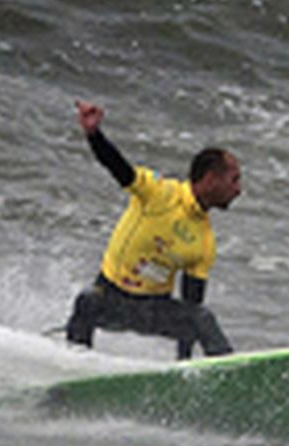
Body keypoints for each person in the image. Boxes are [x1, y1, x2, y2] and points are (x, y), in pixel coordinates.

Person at [62, 100, 240, 359]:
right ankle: (73, 366)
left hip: (153, 309)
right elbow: (118, 168)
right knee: (86, 300)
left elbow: (191, 311)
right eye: (234, 180)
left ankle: (226, 372)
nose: (238, 190)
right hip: (111, 297)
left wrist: (184, 366)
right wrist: (93, 134)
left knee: (202, 317)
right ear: (211, 178)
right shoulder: (160, 193)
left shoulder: (205, 241)